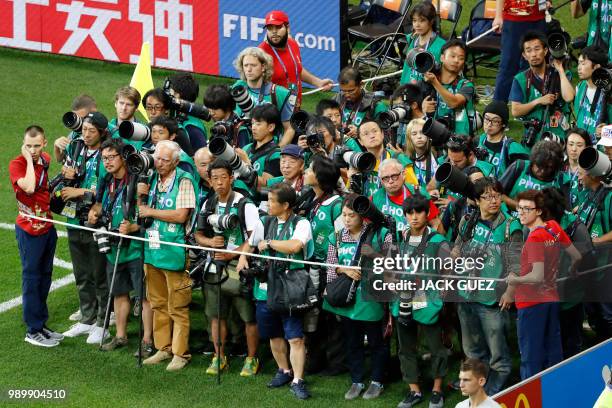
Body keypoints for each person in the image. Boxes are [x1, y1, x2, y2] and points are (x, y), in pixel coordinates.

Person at [237, 182, 314, 400]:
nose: (267, 204)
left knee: (295, 338)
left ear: (286, 205)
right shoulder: (265, 220)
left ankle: (298, 380)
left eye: (272, 201)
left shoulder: (302, 223)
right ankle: (284, 370)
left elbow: (295, 246)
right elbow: (251, 243)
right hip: (264, 288)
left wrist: (269, 243)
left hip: (291, 288)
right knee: (273, 334)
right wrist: (243, 257)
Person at [452, 177, 522, 395]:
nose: (494, 200)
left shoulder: (511, 226)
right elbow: (456, 249)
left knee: (497, 352)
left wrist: (510, 292)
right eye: (487, 196)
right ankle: (478, 385)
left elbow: (516, 264)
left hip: (492, 298)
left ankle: (494, 392)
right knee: (472, 349)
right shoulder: (467, 221)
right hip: (466, 295)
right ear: (476, 200)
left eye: (497, 195)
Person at [194, 158, 261, 377]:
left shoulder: (245, 204)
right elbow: (198, 234)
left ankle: (252, 358)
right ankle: (219, 356)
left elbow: (254, 238)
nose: (220, 182)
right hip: (215, 265)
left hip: (239, 265)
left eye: (224, 177)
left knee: (248, 316)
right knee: (215, 315)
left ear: (232, 178)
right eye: (215, 178)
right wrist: (209, 243)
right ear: (209, 181)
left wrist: (232, 253)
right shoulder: (208, 203)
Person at [87, 138, 153, 356]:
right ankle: (121, 336)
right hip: (114, 248)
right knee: (119, 293)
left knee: (143, 296)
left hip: (135, 247)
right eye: (104, 158)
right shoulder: (107, 181)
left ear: (123, 157)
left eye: (112, 157)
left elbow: (147, 213)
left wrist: (134, 226)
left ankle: (146, 341)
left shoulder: (137, 181)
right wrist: (96, 214)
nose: (107, 162)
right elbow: (101, 203)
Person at [324, 194, 391, 401]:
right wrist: (344, 269)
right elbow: (330, 267)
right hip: (347, 300)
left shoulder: (381, 234)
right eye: (344, 215)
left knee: (376, 342)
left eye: (351, 215)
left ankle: (377, 381)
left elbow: (392, 264)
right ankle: (357, 380)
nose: (346, 219)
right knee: (351, 341)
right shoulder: (335, 236)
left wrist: (373, 255)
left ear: (363, 215)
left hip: (372, 297)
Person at [508, 189, 581, 379]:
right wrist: (572, 270)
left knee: (531, 357)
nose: (521, 213)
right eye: (519, 208)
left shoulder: (534, 237)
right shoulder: (553, 227)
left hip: (531, 304)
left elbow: (536, 276)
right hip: (551, 299)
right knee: (552, 353)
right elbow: (576, 256)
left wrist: (516, 280)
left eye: (527, 209)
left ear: (539, 211)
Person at [138, 140, 196, 371]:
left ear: (176, 161)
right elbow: (140, 211)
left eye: (164, 160)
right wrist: (139, 196)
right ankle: (164, 348)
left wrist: (151, 211)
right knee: (158, 303)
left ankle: (181, 353)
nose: (158, 163)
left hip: (175, 252)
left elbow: (181, 216)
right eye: (157, 158)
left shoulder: (184, 180)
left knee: (178, 306)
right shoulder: (151, 178)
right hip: (153, 251)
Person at [393, 194, 449, 408]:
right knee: (405, 348)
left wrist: (441, 298)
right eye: (410, 213)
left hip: (429, 301)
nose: (414, 217)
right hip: (404, 299)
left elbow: (447, 272)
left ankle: (436, 390)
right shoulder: (401, 238)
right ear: (405, 215)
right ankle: (414, 390)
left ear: (427, 214)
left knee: (436, 347)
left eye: (419, 212)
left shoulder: (437, 240)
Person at [10, 125, 62, 347]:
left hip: (47, 227)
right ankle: (32, 330)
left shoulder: (46, 158)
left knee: (45, 276)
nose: (32, 150)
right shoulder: (18, 164)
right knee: (32, 279)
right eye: (28, 146)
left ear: (44, 143)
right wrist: (30, 161)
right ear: (24, 145)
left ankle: (40, 324)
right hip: (29, 230)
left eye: (36, 146)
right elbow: (30, 187)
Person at [60, 112, 110, 345]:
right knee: (82, 274)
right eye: (84, 130)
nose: (86, 134)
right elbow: (67, 175)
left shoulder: (108, 154)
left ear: (101, 132)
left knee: (99, 275)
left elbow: (110, 191)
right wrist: (68, 175)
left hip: (96, 222)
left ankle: (102, 323)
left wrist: (80, 191)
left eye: (92, 131)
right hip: (74, 219)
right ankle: (87, 318)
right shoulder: (77, 147)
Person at [302, 155, 345, 375]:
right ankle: (316, 358)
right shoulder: (312, 199)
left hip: (330, 269)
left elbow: (341, 237)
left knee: (332, 314)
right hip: (312, 267)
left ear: (320, 178)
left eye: (310, 169)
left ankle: (336, 363)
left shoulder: (336, 205)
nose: (306, 172)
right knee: (315, 313)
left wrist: (334, 269)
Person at [509, 31, 575, 147]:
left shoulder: (561, 74)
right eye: (529, 50)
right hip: (534, 136)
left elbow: (569, 97)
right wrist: (538, 101)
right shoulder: (520, 79)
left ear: (545, 51)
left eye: (537, 49)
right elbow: (515, 111)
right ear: (524, 55)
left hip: (558, 134)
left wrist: (560, 70)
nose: (533, 54)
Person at [258, 10, 333, 109]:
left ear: (287, 28)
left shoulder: (292, 44)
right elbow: (254, 87)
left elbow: (296, 69)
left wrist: (318, 82)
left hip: (294, 108)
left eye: (278, 27)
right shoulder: (260, 54)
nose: (274, 31)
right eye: (270, 28)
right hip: (273, 113)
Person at [232, 47, 295, 146]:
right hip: (239, 147)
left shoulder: (279, 93)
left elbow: (289, 128)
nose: (248, 69)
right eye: (246, 65)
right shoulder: (237, 88)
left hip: (267, 150)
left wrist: (277, 152)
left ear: (263, 67)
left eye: (253, 65)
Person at [492, 0, 547, 103]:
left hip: (538, 19)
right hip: (513, 19)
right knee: (508, 63)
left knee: (534, 63)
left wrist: (544, 5)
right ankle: (498, 108)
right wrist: (498, 16)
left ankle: (528, 104)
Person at [421, 39, 476, 136]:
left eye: (461, 58)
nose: (456, 61)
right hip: (432, 136)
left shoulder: (466, 85)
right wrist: (423, 108)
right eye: (452, 56)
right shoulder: (427, 82)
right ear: (442, 57)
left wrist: (435, 82)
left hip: (459, 141)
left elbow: (454, 103)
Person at [349, 120, 418, 197]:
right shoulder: (359, 162)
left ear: (382, 134)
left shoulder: (399, 159)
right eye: (366, 134)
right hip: (368, 206)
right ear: (360, 141)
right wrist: (352, 178)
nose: (372, 136)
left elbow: (414, 192)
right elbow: (350, 194)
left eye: (375, 131)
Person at [371, 158, 440, 235]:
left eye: (394, 176)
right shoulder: (374, 198)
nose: (390, 181)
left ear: (403, 174)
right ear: (381, 180)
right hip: (386, 244)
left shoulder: (419, 193)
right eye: (386, 178)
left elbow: (436, 223)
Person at [499, 140, 569, 213]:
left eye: (548, 167)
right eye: (539, 166)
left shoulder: (561, 179)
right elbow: (498, 194)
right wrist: (522, 208)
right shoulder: (519, 166)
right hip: (510, 217)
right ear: (533, 160)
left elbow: (563, 211)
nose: (542, 171)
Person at [477, 100, 529, 178]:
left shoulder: (513, 149)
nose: (489, 124)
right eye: (487, 119)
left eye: (495, 121)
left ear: (504, 124)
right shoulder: (478, 140)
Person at [400, 2, 446, 85]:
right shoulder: (412, 40)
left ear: (431, 21)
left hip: (427, 92)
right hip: (409, 89)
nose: (417, 25)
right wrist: (401, 89)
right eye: (414, 20)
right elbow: (406, 70)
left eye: (422, 20)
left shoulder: (442, 46)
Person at [335, 67, 388, 138]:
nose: (347, 95)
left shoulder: (376, 105)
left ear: (361, 84)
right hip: (340, 146)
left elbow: (385, 136)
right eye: (343, 90)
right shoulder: (337, 98)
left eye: (351, 91)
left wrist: (362, 133)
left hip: (364, 148)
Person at [239, 103, 282, 186]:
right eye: (252, 123)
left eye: (258, 124)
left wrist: (246, 162)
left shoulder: (276, 155)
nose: (253, 127)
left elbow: (264, 186)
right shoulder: (246, 148)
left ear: (271, 127)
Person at [574, 46, 611, 141]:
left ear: (596, 67)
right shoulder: (580, 87)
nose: (579, 68)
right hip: (581, 146)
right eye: (579, 63)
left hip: (603, 151)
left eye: (583, 64)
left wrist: (606, 130)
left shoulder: (609, 92)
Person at [167, 72, 208, 151]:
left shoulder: (193, 128)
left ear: (177, 96)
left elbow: (202, 157)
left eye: (170, 91)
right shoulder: (175, 113)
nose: (167, 94)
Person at [203, 84, 251, 148]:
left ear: (227, 107)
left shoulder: (240, 129)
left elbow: (245, 153)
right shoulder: (220, 123)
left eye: (215, 108)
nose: (211, 112)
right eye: (209, 108)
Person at [54, 94, 97, 162]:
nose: (78, 122)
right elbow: (60, 159)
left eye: (82, 118)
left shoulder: (109, 131)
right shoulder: (74, 135)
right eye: (76, 118)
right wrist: (57, 145)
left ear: (94, 112)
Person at [403, 118, 438, 187]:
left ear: (428, 135)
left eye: (422, 132)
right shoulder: (406, 161)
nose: (419, 136)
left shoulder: (439, 158)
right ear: (409, 138)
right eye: (414, 134)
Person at [389, 85, 426, 151]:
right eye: (394, 107)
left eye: (399, 106)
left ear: (414, 105)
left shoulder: (428, 126)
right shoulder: (402, 124)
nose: (396, 110)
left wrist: (402, 157)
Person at [564, 128, 592, 210]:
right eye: (570, 144)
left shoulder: (591, 171)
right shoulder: (558, 168)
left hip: (580, 217)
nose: (574, 149)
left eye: (579, 145)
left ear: (587, 147)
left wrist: (583, 205)